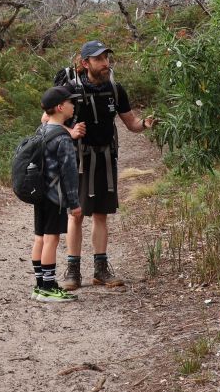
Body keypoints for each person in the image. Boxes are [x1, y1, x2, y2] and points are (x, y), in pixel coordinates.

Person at [60, 40, 154, 290]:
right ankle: (73, 272)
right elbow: (47, 120)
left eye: (106, 58)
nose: (105, 63)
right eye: (99, 59)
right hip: (78, 160)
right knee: (76, 214)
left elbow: (131, 123)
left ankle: (100, 270)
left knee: (101, 214)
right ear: (85, 63)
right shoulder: (70, 90)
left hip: (105, 157)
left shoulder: (115, 89)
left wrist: (145, 124)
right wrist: (70, 131)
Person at [31, 85, 83, 303]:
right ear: (60, 107)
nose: (74, 105)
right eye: (70, 102)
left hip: (39, 194)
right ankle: (49, 288)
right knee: (51, 239)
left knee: (40, 238)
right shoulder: (63, 138)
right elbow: (69, 175)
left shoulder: (41, 130)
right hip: (55, 197)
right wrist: (74, 204)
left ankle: (39, 286)